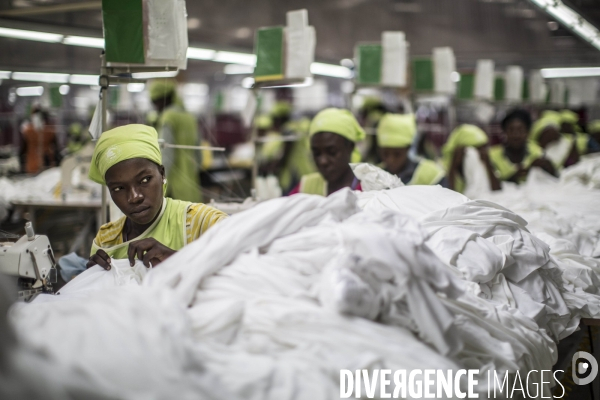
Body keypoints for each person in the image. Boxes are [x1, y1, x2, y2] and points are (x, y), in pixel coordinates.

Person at [86, 124, 227, 270]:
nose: (135, 197)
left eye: (145, 180)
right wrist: (94, 276)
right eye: (118, 188)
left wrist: (175, 258)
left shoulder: (200, 222)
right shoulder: (107, 240)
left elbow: (246, 266)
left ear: (162, 173)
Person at [289, 108, 365, 196]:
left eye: (332, 152)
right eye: (316, 153)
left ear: (350, 147)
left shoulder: (369, 190)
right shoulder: (305, 188)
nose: (323, 161)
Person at [149, 79, 202, 203]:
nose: (155, 107)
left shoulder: (168, 117)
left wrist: (159, 183)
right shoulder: (189, 116)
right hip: (191, 182)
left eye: (156, 102)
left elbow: (167, 155)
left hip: (174, 185)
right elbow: (199, 156)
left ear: (164, 98)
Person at [376, 113, 446, 185]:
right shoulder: (374, 175)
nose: (391, 160)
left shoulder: (431, 175)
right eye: (385, 154)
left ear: (408, 148)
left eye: (397, 154)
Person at [489, 109, 555, 183]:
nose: (516, 135)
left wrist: (550, 168)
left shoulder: (537, 153)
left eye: (520, 130)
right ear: (504, 132)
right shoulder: (492, 155)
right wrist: (515, 177)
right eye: (511, 130)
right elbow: (490, 185)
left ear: (528, 132)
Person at [442, 124, 501, 193]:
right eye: (476, 149)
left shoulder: (485, 164)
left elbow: (497, 190)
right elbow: (447, 196)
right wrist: (453, 166)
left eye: (484, 148)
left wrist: (488, 164)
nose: (480, 153)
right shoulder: (442, 169)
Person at [20, 106, 57, 174]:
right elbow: (56, 148)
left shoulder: (28, 130)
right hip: (42, 165)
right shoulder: (50, 130)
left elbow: (22, 149)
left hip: (38, 165)